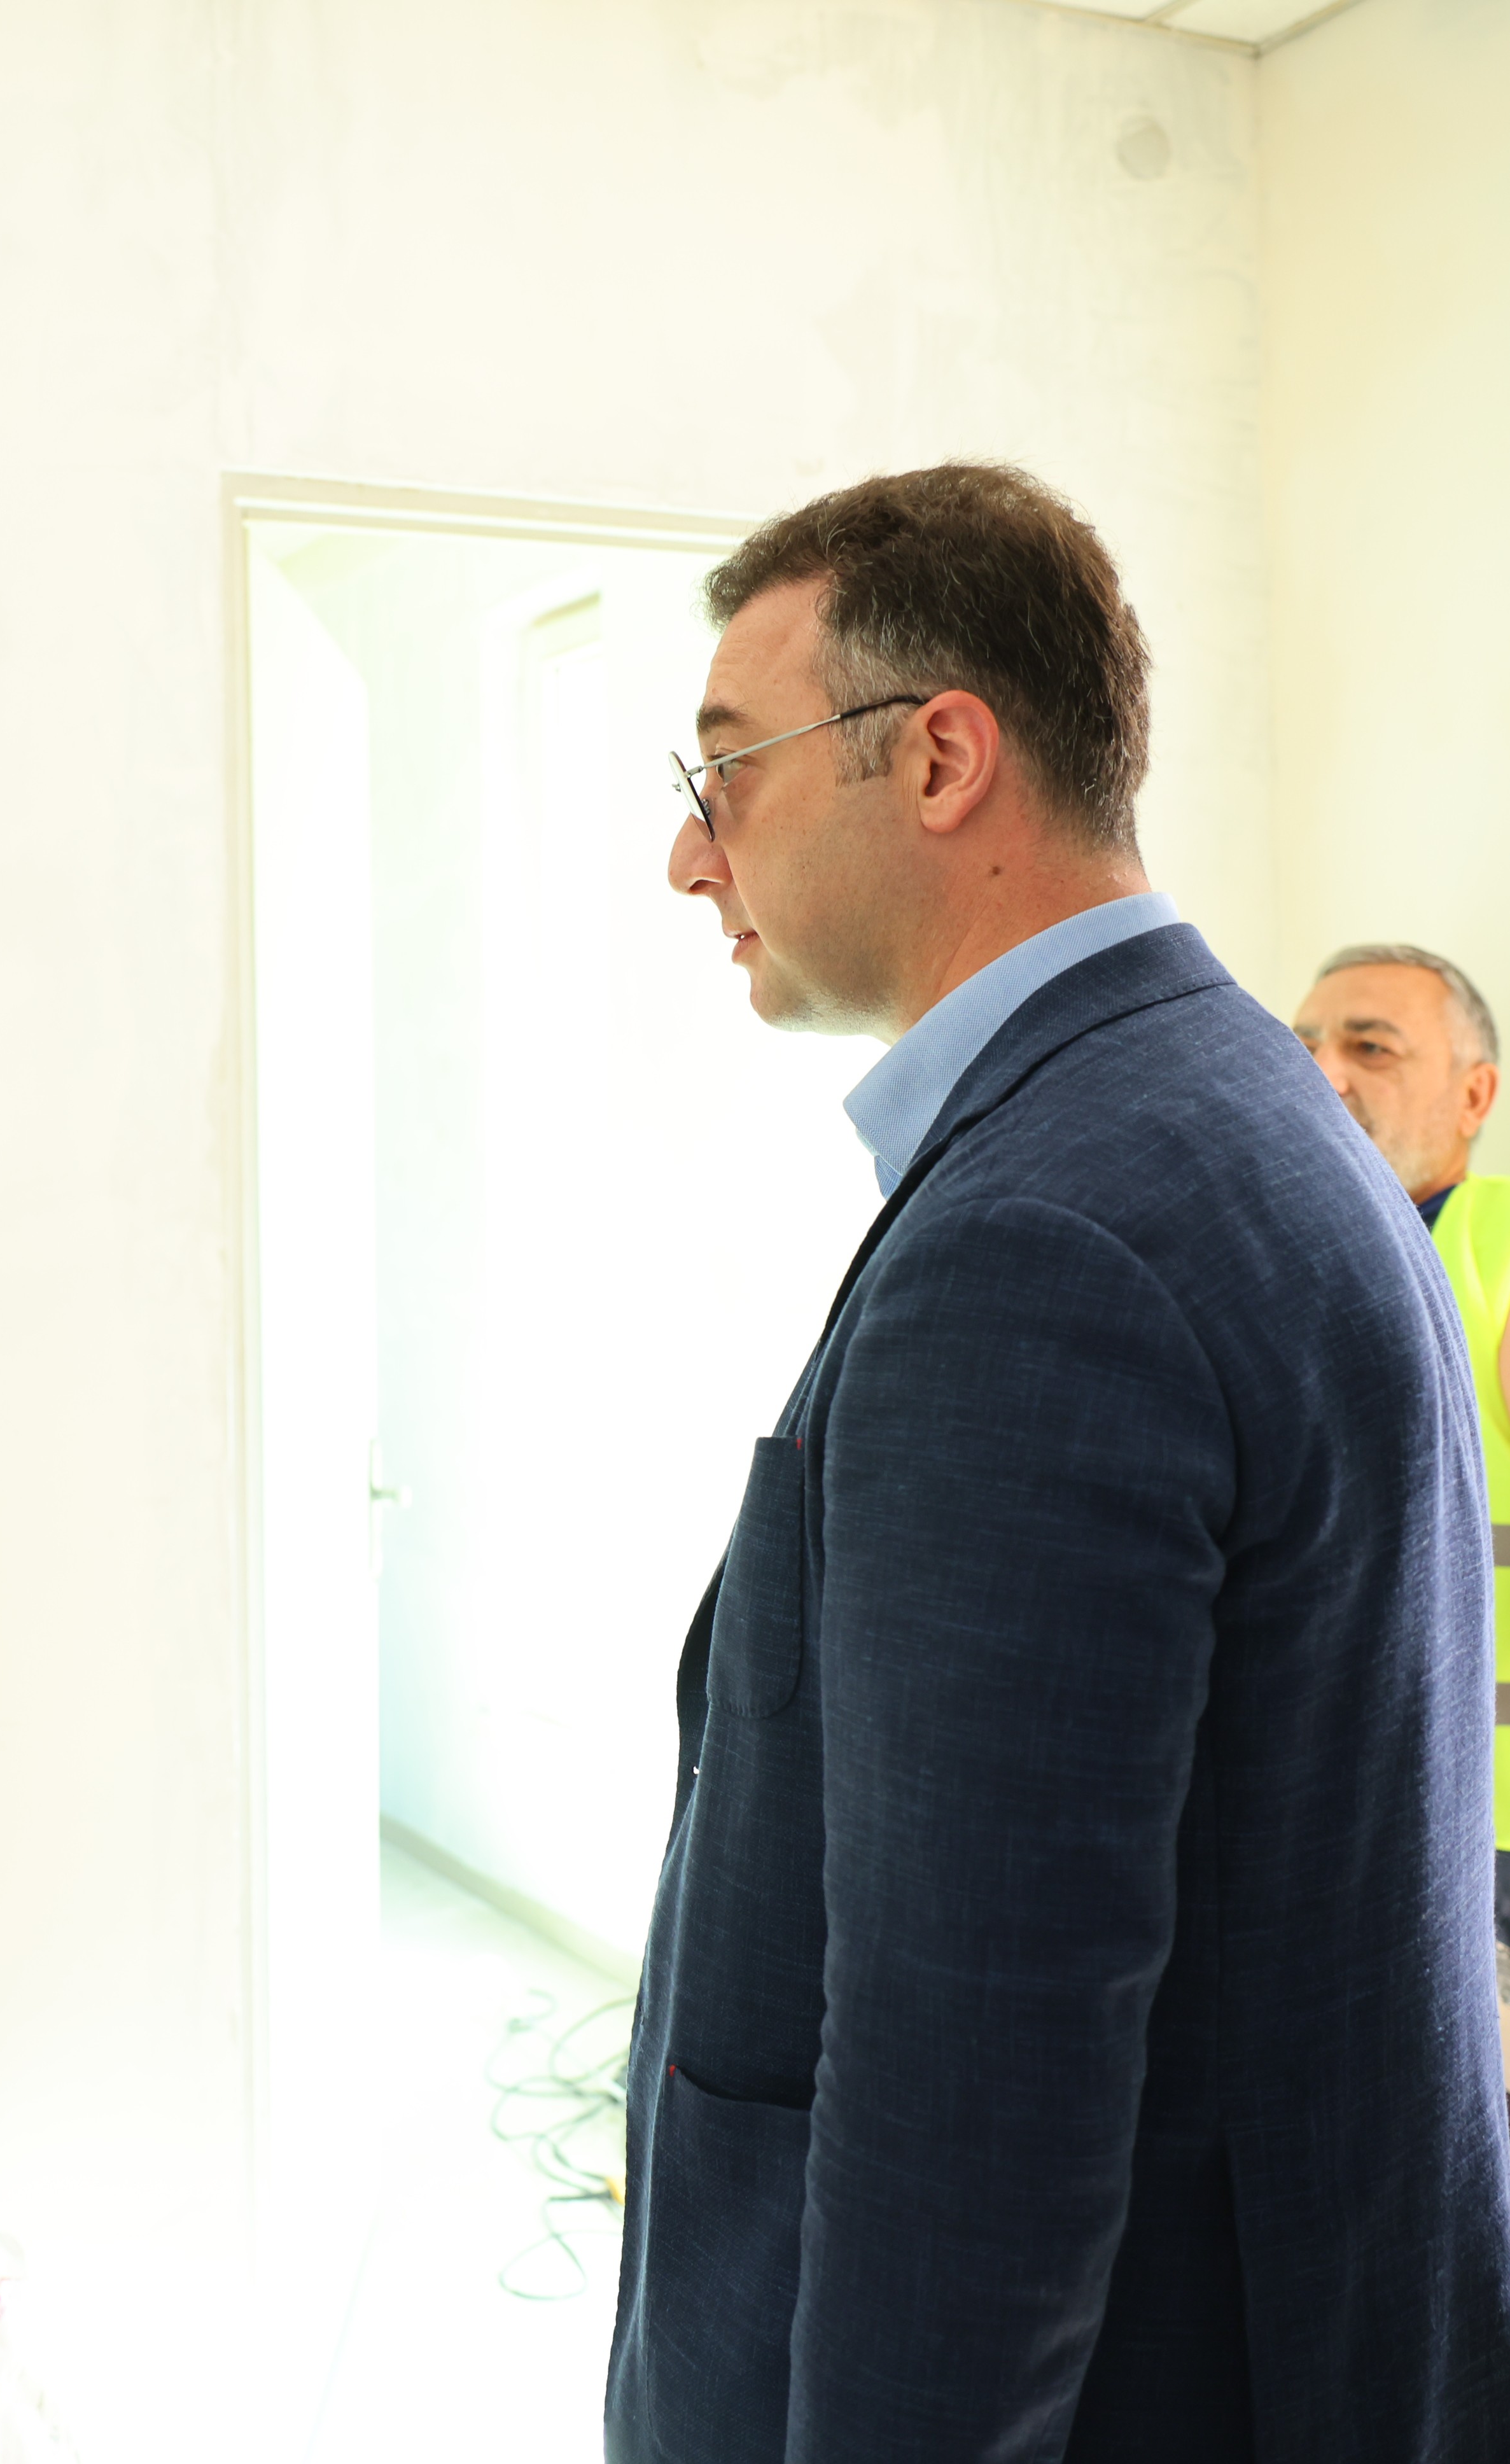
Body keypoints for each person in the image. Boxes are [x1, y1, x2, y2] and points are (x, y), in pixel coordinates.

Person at [612, 465, 1510, 2462]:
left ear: (940, 759)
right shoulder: (1225, 1112)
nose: (689, 852)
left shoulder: (1050, 1236)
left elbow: (975, 2095)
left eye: (728, 769)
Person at [1292, 943, 1509, 2075]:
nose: (1321, 1072)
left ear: (1474, 1096)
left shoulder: (1494, 1252)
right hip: (1344, 1836)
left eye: (1370, 1047)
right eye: (1301, 1048)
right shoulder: (1290, 1261)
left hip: (1482, 1857)